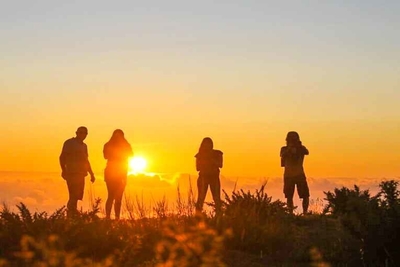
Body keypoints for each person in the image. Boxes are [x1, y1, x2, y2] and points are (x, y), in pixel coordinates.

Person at [59, 126, 96, 216]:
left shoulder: (84, 146)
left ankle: (73, 215)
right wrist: (64, 170)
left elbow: (86, 161)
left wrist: (91, 173)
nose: (82, 135)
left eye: (84, 133)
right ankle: (70, 215)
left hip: (81, 174)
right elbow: (62, 157)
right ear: (76, 133)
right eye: (80, 132)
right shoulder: (69, 143)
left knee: (77, 196)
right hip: (71, 173)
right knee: (73, 195)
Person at [103, 129, 133, 219]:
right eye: (116, 135)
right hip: (111, 172)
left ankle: (117, 218)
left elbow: (131, 154)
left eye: (119, 135)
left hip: (122, 173)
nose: (118, 137)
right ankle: (107, 217)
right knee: (111, 195)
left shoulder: (126, 146)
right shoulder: (108, 145)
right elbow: (105, 156)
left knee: (119, 197)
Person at [280, 131, 310, 214]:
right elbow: (283, 155)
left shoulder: (301, 149)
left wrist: (298, 147)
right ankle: (291, 213)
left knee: (305, 195)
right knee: (289, 196)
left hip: (298, 175)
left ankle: (305, 212)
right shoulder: (284, 149)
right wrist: (290, 149)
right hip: (290, 176)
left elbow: (306, 152)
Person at [195, 137, 223, 214]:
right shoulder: (200, 155)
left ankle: (219, 217)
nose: (207, 146)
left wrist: (211, 160)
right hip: (203, 178)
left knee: (217, 199)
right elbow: (198, 168)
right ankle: (197, 217)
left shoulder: (217, 153)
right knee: (200, 199)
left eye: (209, 144)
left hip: (214, 178)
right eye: (206, 144)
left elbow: (220, 164)